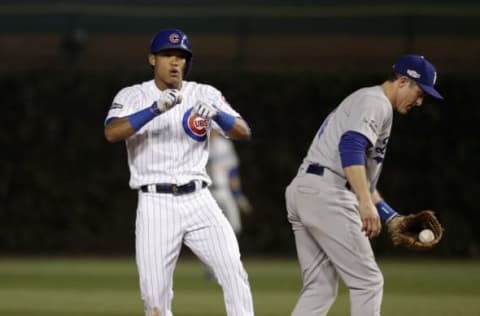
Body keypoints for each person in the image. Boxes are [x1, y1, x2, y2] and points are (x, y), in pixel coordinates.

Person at [103, 28, 254, 316]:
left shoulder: (203, 93)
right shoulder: (134, 95)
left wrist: (217, 114)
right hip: (155, 203)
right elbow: (112, 132)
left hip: (199, 199)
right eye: (167, 55)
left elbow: (243, 131)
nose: (175, 62)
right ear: (152, 59)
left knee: (234, 272)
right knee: (155, 296)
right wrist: (153, 110)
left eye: (181, 56)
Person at [285, 54, 443, 316]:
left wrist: (390, 216)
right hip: (329, 193)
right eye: (419, 92)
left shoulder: (368, 101)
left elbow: (363, 179)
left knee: (321, 288)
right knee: (368, 283)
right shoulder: (375, 102)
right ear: (403, 81)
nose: (420, 101)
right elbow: (351, 147)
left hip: (307, 189)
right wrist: (364, 202)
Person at [207, 129, 253, 236]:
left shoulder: (225, 146)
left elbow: (232, 171)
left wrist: (238, 195)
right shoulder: (197, 145)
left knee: (235, 226)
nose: (211, 130)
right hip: (206, 192)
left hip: (224, 190)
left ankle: (230, 251)